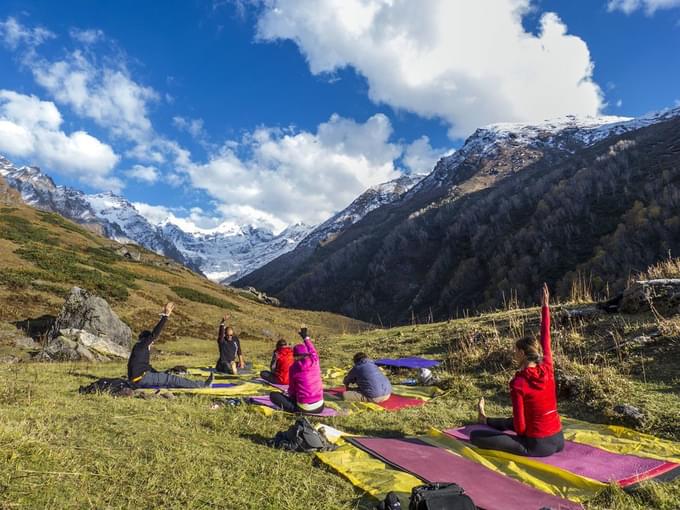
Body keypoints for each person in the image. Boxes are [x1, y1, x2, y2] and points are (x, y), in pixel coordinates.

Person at [471, 283, 564, 457]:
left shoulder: (518, 383)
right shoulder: (548, 367)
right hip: (559, 439)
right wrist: (545, 307)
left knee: (476, 436)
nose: (513, 354)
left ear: (521, 353)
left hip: (538, 446)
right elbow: (546, 337)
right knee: (511, 422)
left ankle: (484, 421)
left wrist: (521, 436)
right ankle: (485, 419)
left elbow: (521, 428)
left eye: (515, 351)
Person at [128, 302, 213, 388]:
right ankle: (202, 385)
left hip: (138, 379)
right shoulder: (142, 345)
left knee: (166, 377)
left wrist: (162, 373)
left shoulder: (139, 348)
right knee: (172, 379)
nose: (152, 343)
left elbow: (146, 367)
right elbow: (154, 334)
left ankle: (198, 384)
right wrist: (166, 316)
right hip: (141, 379)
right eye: (151, 342)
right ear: (146, 339)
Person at [270, 326, 324, 414]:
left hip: (305, 408)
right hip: (320, 406)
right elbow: (313, 350)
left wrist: (287, 395)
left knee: (273, 395)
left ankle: (295, 408)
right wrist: (305, 337)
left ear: (294, 356)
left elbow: (292, 391)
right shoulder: (315, 360)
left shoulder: (294, 368)